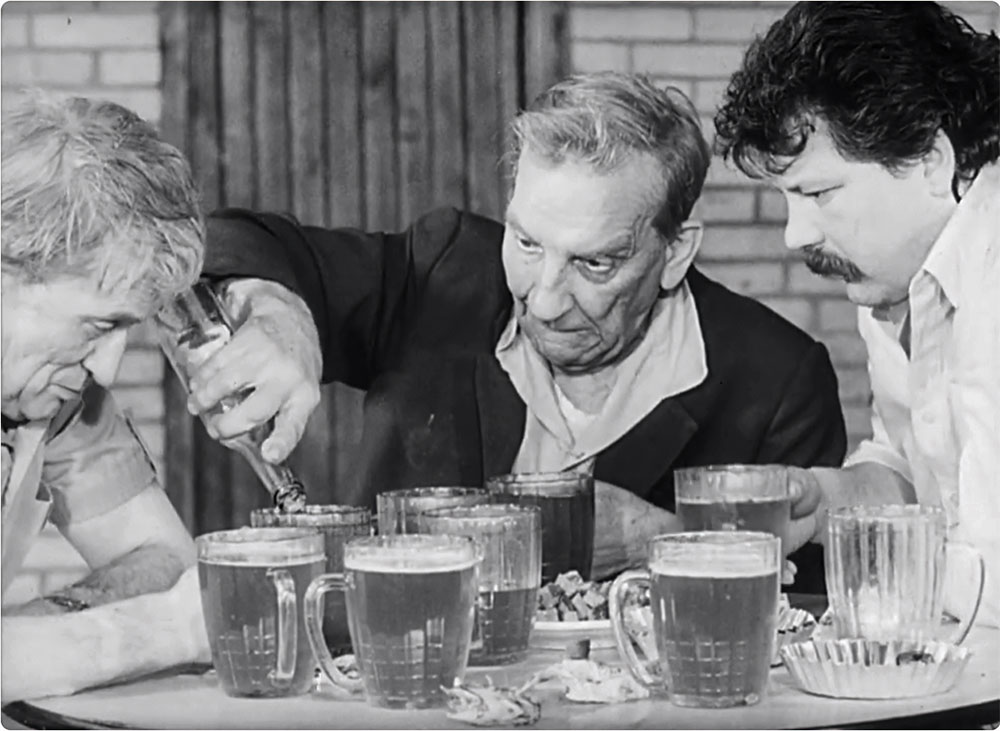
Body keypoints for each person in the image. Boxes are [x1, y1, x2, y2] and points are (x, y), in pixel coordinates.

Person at [193, 72, 847, 587]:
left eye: (595, 263)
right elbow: (229, 240)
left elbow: (810, 618)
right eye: (528, 243)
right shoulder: (442, 272)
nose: (546, 300)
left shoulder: (778, 381)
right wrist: (281, 312)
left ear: (675, 253)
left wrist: (667, 542)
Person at [713, 2, 999, 625]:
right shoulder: (893, 277)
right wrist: (824, 503)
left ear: (929, 160)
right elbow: (918, 476)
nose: (795, 235)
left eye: (819, 193)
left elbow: (992, 571)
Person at [1, 92, 209, 702]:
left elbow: (163, 560)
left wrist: (36, 636)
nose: (107, 368)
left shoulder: (54, 392)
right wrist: (160, 634)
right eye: (98, 325)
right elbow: (179, 610)